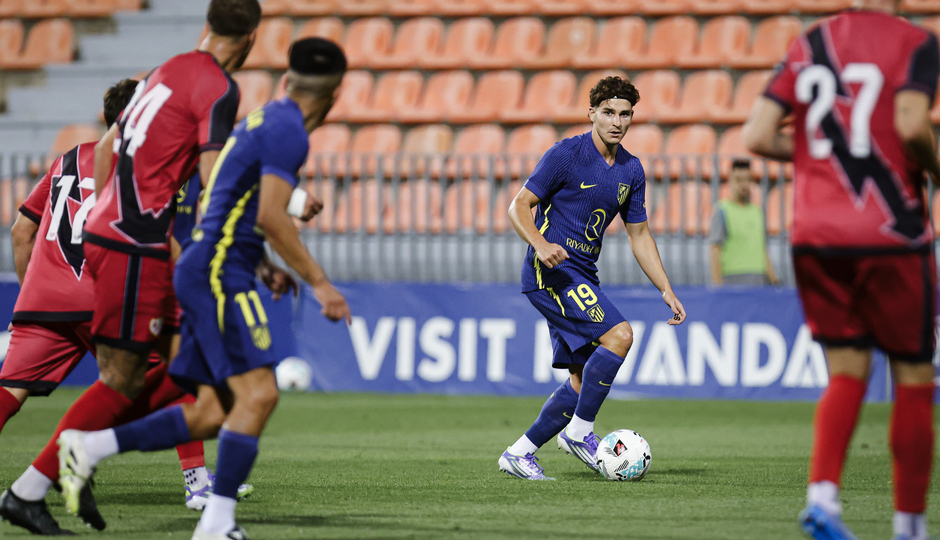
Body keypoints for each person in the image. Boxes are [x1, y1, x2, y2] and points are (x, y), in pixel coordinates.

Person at [57, 37, 351, 540]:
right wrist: (322, 284)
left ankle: (89, 448)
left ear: (287, 82)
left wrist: (260, 263)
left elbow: (229, 200)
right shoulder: (290, 132)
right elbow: (270, 215)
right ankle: (216, 523)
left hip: (210, 263)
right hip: (218, 270)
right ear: (335, 94)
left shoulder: (263, 118)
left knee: (213, 412)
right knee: (258, 396)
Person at [743, 1, 940, 538]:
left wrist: (814, 159)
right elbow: (912, 123)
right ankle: (910, 526)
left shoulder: (810, 43)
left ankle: (824, 499)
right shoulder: (916, 42)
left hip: (815, 237)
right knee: (915, 377)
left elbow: (757, 136)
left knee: (847, 371)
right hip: (891, 234)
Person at [0, 79, 232, 535]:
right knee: (174, 373)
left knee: (9, 392)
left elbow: (20, 233)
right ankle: (195, 484)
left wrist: (35, 294)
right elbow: (155, 239)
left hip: (42, 300)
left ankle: (62, 471)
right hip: (107, 295)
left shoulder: (68, 159)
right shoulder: (140, 165)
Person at [498, 76, 687, 480]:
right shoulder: (566, 154)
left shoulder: (631, 170)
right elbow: (519, 206)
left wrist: (665, 288)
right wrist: (540, 243)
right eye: (608, 112)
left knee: (584, 381)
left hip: (583, 273)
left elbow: (639, 234)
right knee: (620, 336)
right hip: (550, 270)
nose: (617, 121)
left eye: (625, 114)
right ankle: (580, 431)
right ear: (592, 114)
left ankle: (520, 452)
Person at [709, 158, 779, 286]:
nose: (744, 184)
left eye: (747, 180)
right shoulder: (722, 210)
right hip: (732, 280)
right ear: (730, 181)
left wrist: (773, 278)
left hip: (759, 280)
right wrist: (717, 284)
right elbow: (715, 250)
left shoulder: (757, 211)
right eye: (738, 180)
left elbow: (763, 249)